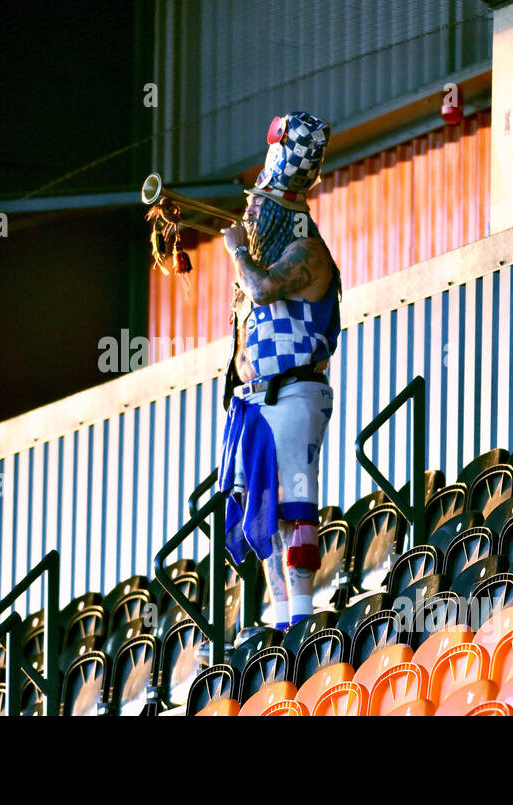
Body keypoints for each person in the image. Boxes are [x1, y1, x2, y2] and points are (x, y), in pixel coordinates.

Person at [218, 112, 341, 631]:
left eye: (260, 209)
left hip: (293, 394)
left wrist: (237, 252)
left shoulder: (305, 253)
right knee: (263, 508)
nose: (253, 216)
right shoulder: (274, 255)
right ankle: (282, 613)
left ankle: (302, 615)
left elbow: (263, 288)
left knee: (293, 502)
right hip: (259, 399)